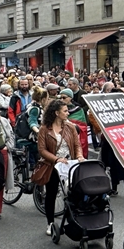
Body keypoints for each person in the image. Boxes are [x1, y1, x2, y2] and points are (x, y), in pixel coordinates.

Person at [36, 99, 85, 236]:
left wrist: (79, 156)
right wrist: (56, 159)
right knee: (51, 194)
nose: (68, 113)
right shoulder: (44, 129)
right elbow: (42, 150)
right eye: (65, 111)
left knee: (72, 194)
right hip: (53, 166)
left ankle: (73, 221)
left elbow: (77, 145)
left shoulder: (70, 127)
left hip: (70, 165)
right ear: (56, 113)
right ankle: (50, 223)